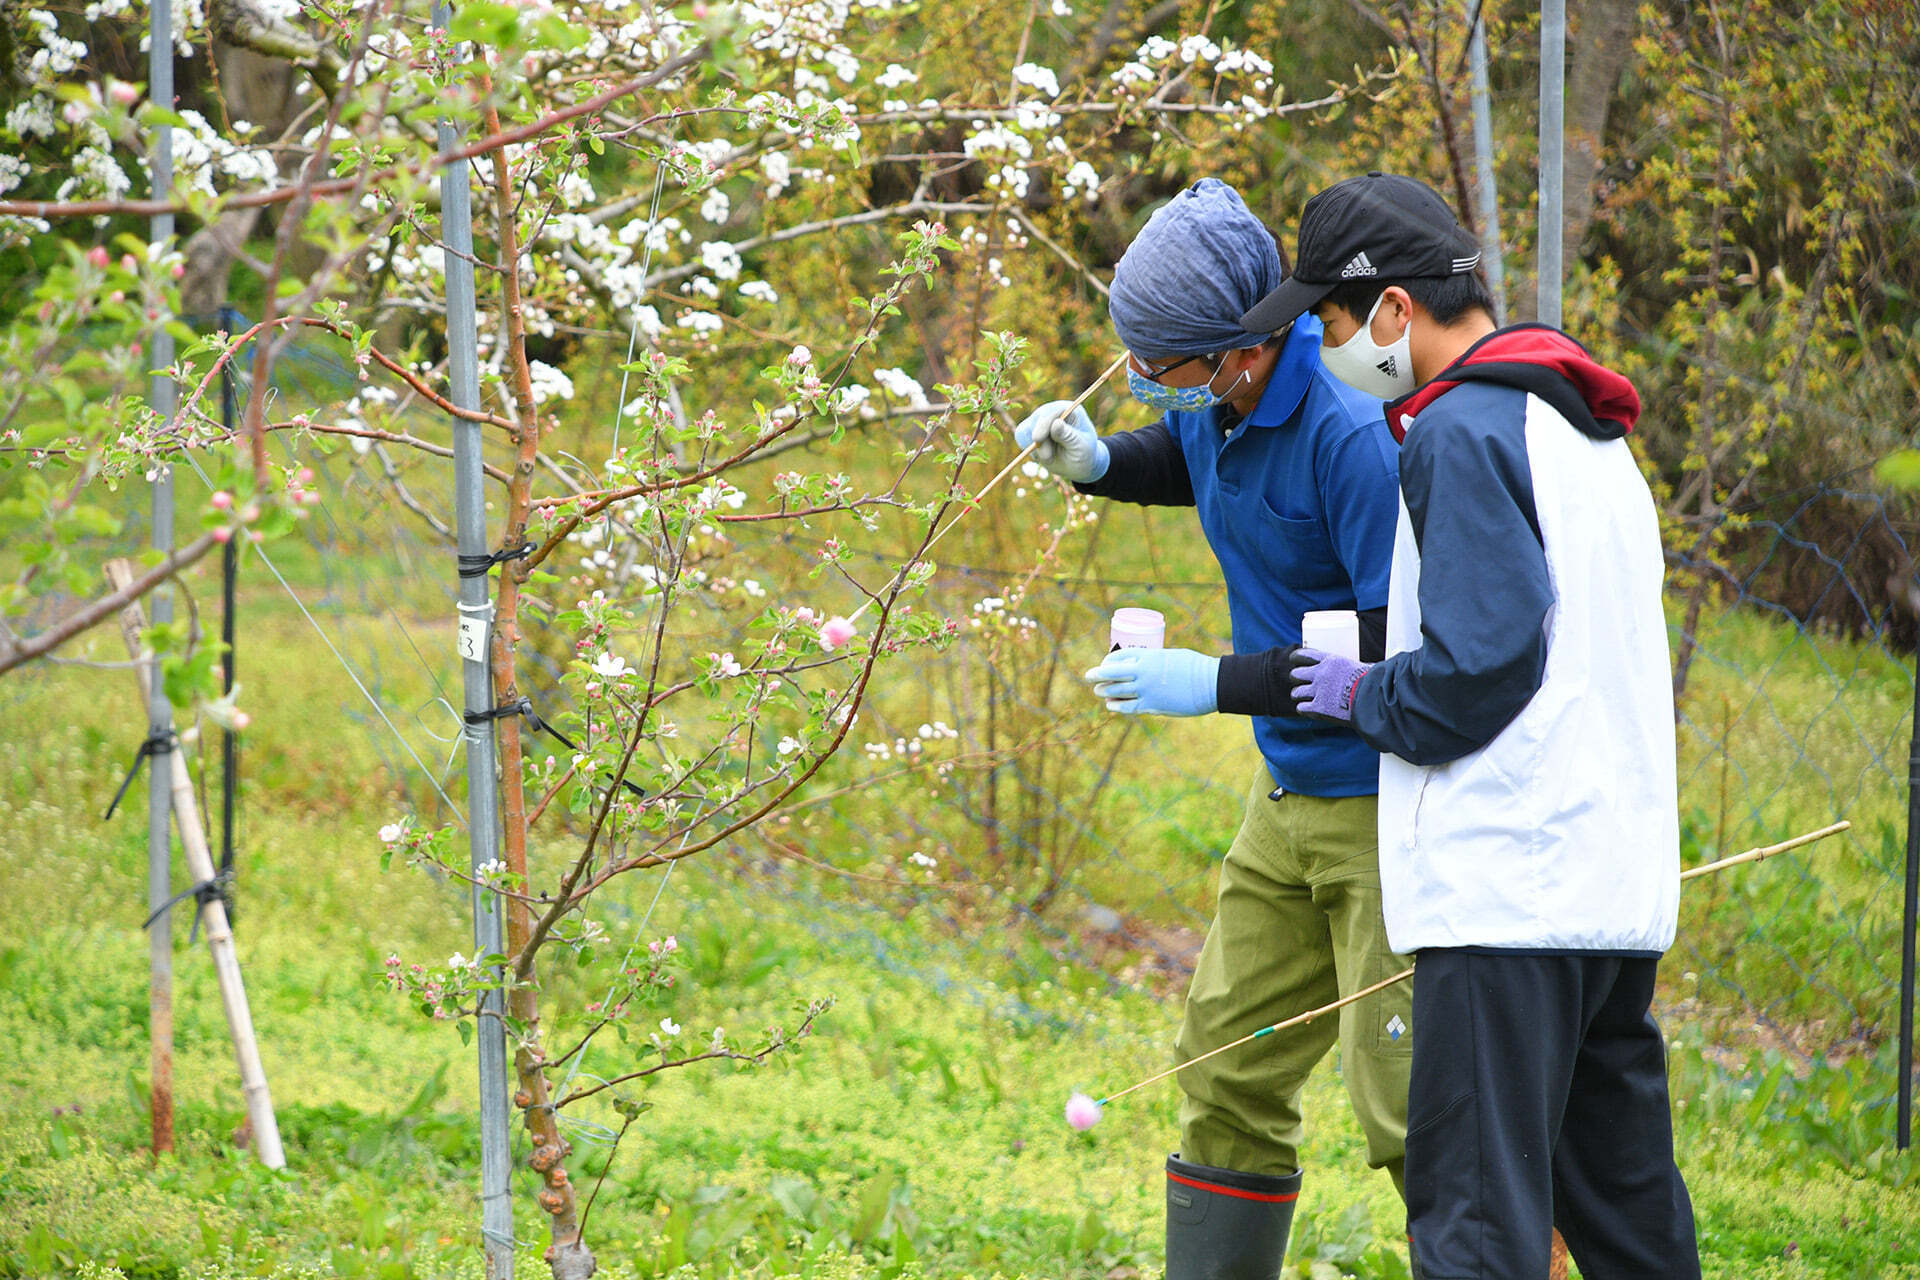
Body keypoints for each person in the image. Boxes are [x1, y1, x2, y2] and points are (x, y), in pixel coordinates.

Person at [1238, 172, 1700, 1279]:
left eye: (1332, 320)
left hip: (1508, 895)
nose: (1329, 344)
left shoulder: (1460, 433)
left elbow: (1477, 672)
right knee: (1629, 1220)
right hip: (1608, 891)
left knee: (1477, 1228)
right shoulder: (1581, 425)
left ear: (1394, 311)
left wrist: (1362, 694)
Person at [1014, 178, 1409, 1279]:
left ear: (1241, 348)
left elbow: (1389, 642)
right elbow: (1185, 457)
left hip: (1394, 811)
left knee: (1414, 1108)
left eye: (1159, 363)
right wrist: (1097, 465)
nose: (1142, 380)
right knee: (1227, 1067)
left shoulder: (1352, 436)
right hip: (1286, 798)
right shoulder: (1226, 404)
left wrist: (1214, 680)